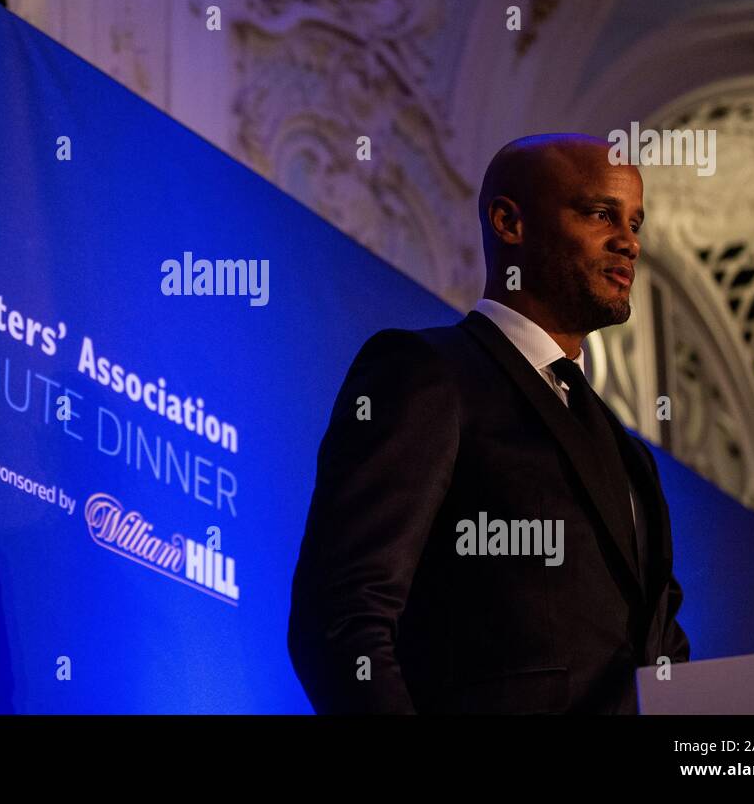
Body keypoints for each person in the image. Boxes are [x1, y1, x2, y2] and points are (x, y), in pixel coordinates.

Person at [288, 133, 689, 714]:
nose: (628, 242)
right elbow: (343, 618)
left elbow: (664, 656)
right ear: (509, 222)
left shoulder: (632, 459)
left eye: (635, 222)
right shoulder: (426, 374)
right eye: (602, 214)